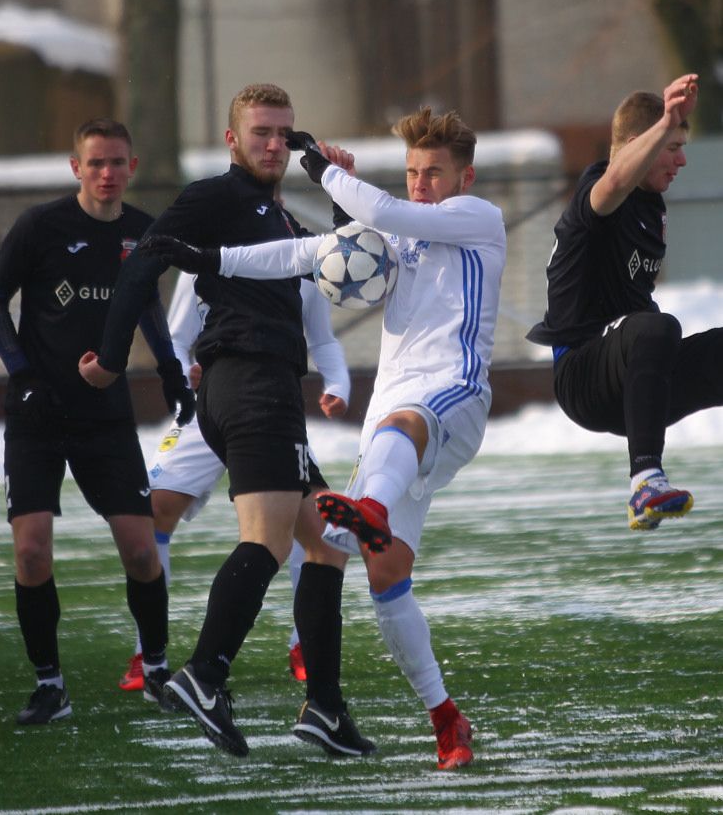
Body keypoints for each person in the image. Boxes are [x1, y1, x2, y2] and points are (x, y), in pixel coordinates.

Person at [152, 105, 506, 770]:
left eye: (434, 172)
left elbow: (393, 214)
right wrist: (210, 258)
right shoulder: (394, 231)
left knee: (394, 445)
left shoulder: (476, 218)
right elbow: (300, 252)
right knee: (377, 568)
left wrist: (319, 168)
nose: (421, 182)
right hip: (394, 418)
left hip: (452, 399)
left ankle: (366, 510)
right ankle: (439, 717)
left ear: (465, 177)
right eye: (411, 172)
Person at [79, 84, 373, 759]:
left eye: (285, 133)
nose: (273, 143)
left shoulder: (278, 215)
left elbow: (342, 261)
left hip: (264, 388)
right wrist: (113, 355)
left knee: (325, 541)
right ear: (231, 139)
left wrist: (339, 185)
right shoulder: (216, 197)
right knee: (267, 544)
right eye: (261, 131)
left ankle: (325, 707)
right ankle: (205, 672)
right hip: (247, 385)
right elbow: (143, 262)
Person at [0, 118, 194, 725]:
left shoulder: (141, 233)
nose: (107, 174)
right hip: (37, 416)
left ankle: (155, 669)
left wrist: (174, 376)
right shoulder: (40, 226)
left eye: (117, 163)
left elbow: (149, 308)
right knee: (31, 553)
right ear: (76, 167)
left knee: (141, 551)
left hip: (105, 416)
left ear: (131, 166)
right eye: (95, 163)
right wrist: (22, 374)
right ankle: (51, 686)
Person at [118, 271, 351, 692]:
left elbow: (321, 338)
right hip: (209, 400)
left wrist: (338, 384)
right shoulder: (203, 252)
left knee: (313, 521)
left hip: (268, 407)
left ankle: (304, 646)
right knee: (153, 510)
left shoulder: (300, 252)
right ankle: (148, 652)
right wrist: (181, 368)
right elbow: (176, 335)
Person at [526, 74, 717, 530]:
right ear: (639, 144)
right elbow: (614, 179)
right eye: (672, 147)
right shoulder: (601, 186)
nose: (682, 160)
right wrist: (667, 116)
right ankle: (645, 481)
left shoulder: (653, 207)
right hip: (584, 378)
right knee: (658, 327)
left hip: (632, 379)